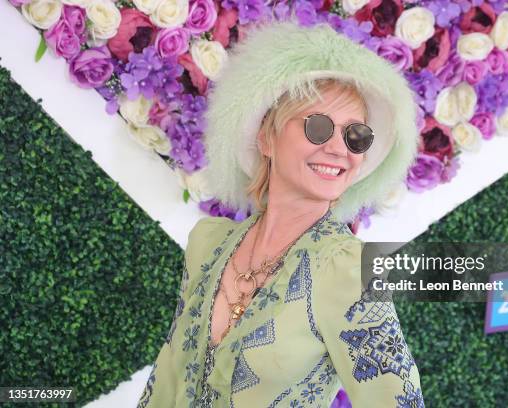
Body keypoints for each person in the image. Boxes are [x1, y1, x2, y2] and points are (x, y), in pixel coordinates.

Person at [137, 18, 424, 408]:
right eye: (319, 127)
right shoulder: (207, 244)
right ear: (267, 136)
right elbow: (166, 380)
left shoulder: (348, 270)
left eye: (356, 136)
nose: (340, 149)